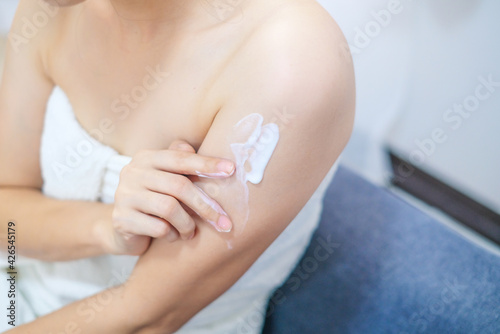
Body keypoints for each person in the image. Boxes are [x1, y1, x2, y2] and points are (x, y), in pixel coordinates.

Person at [0, 0, 355, 332]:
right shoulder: (52, 8)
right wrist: (105, 228)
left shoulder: (289, 61)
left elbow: (144, 317)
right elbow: (7, 209)